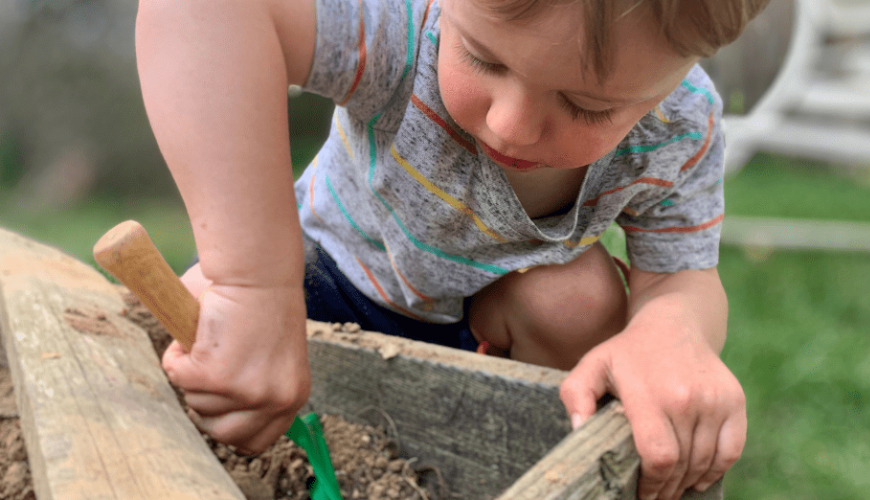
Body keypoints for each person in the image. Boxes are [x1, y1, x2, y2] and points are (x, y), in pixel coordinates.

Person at [135, 0, 768, 498]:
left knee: (579, 299)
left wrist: (674, 333)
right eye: (483, 60)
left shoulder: (680, 127)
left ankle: (524, 469)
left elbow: (680, 277)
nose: (509, 124)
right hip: (320, 281)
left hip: (480, 330)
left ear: (678, 73)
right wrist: (250, 286)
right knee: (197, 336)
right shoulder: (401, 29)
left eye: (586, 105)